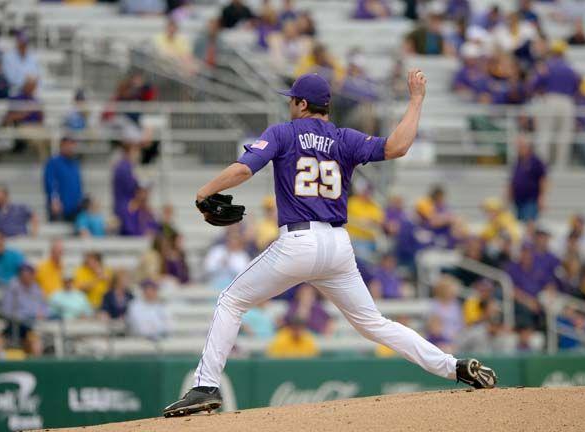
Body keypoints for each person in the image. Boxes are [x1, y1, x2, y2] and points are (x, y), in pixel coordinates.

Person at [164, 71, 497, 417]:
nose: (289, 105)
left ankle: (205, 386)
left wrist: (205, 191)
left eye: (291, 99)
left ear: (302, 104)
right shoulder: (344, 138)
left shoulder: (284, 132)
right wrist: (416, 100)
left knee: (231, 300)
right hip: (338, 246)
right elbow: (398, 146)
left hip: (299, 240)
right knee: (374, 323)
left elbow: (245, 169)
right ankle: (454, 367)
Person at [530, 40, 580, 167]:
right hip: (567, 102)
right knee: (564, 136)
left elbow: (534, 84)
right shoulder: (570, 68)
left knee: (545, 133)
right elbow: (577, 86)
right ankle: (561, 166)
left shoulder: (547, 66)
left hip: (550, 99)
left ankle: (541, 165)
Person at [1, 264, 48, 340]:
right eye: (24, 275)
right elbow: (6, 309)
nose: (26, 277)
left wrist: (42, 313)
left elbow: (44, 306)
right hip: (18, 323)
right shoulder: (13, 287)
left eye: (29, 275)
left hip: (35, 321)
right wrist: (22, 317)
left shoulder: (36, 288)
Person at [43, 137, 84, 222]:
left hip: (75, 208)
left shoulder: (75, 164)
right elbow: (50, 183)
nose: (71, 148)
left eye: (72, 146)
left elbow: (78, 185)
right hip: (59, 208)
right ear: (62, 146)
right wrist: (54, 200)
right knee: (58, 232)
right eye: (68, 146)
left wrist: (80, 200)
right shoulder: (53, 162)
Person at [508, 135, 547, 222]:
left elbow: (543, 179)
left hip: (531, 199)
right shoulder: (518, 161)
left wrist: (542, 197)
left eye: (520, 146)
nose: (518, 149)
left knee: (529, 222)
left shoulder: (536, 161)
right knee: (520, 223)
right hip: (518, 200)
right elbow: (513, 180)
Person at [112, 142, 140, 222]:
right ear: (129, 152)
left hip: (123, 206)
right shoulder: (124, 168)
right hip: (126, 208)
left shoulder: (123, 166)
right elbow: (131, 187)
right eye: (135, 151)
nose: (137, 155)